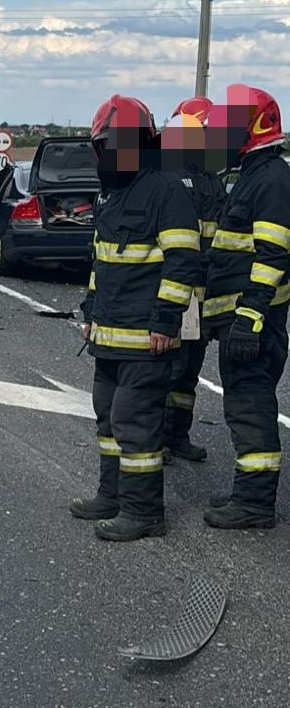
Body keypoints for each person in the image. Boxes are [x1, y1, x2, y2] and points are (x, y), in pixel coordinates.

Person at [71, 94, 202, 542]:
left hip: (146, 340)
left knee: (135, 422)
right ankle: (111, 494)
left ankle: (144, 512)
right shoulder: (113, 194)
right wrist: (90, 312)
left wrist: (165, 322)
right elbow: (102, 262)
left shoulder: (166, 190)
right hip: (109, 334)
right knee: (107, 416)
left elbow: (183, 261)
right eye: (108, 145)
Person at [202, 84, 290, 529]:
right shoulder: (254, 175)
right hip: (243, 317)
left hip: (254, 319)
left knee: (250, 405)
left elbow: (273, 254)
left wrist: (250, 316)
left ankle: (254, 504)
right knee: (242, 402)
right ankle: (247, 491)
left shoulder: (271, 179)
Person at [157, 98, 227, 464]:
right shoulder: (167, 174)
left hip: (202, 292)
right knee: (165, 369)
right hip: (176, 290)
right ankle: (155, 439)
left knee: (188, 371)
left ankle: (177, 435)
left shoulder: (209, 176)